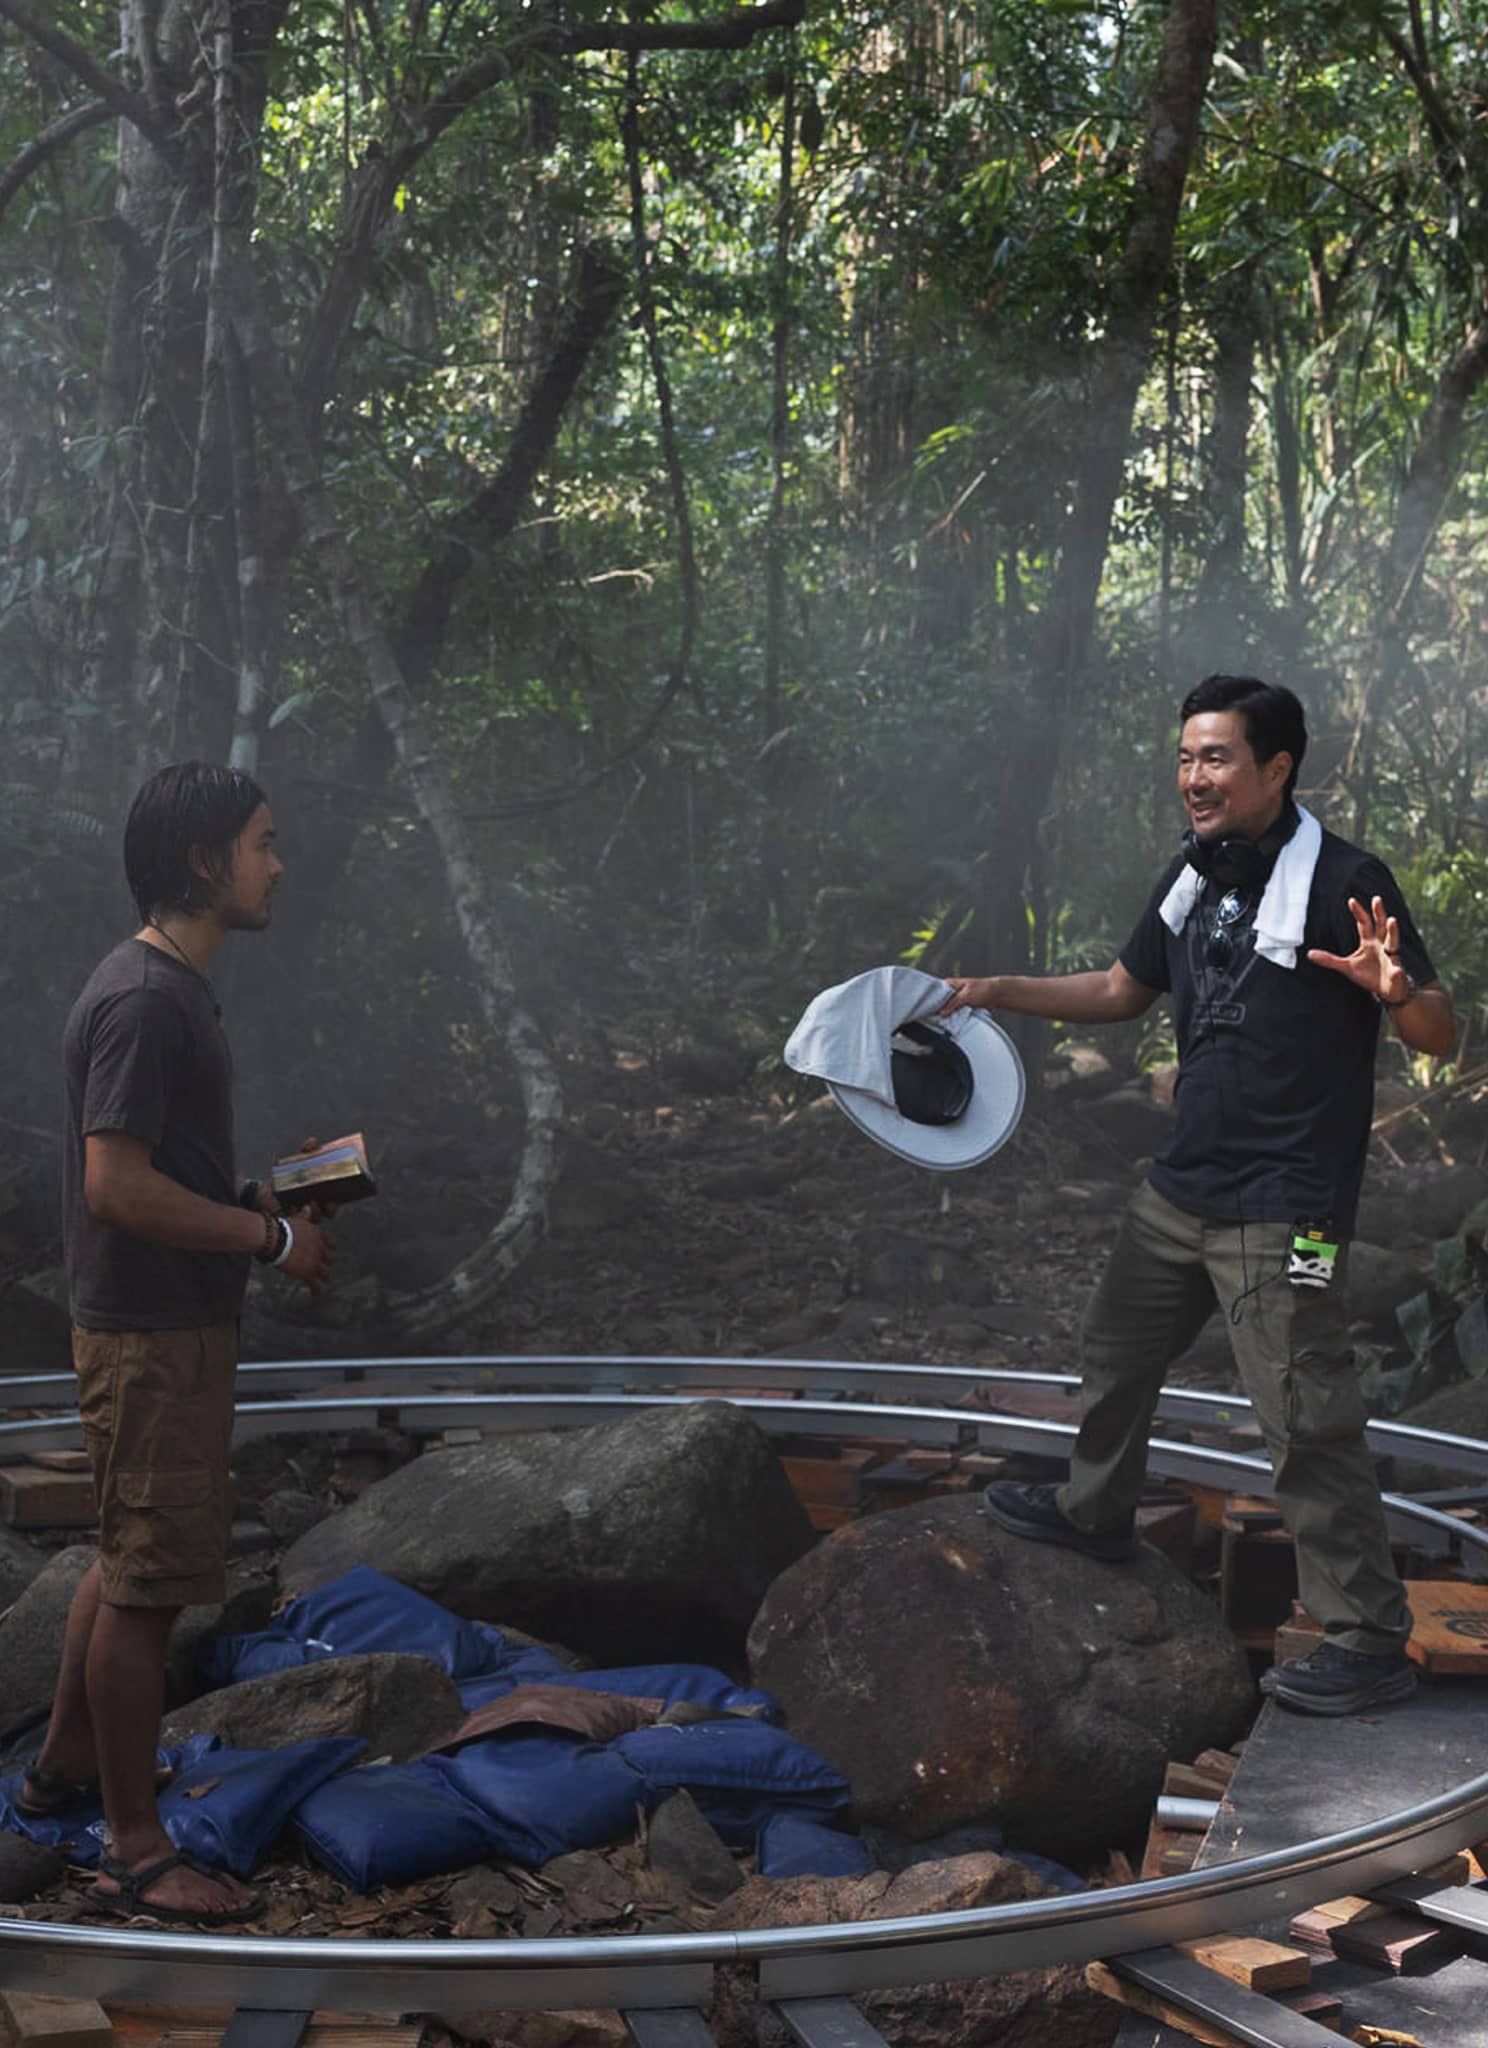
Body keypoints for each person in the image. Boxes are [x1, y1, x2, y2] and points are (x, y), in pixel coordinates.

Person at [941, 675, 1454, 1716]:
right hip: (1184, 1185)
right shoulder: (1195, 874)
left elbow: (1441, 1033)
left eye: (1215, 757)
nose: (1193, 777)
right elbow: (1121, 991)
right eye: (1185, 756)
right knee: (1115, 1347)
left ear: (1277, 767)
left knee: (1304, 1412)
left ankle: (1366, 1638)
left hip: (1288, 1205)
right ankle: (1095, 1508)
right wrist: (992, 991)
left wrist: (1396, 991)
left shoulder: (1349, 879)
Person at [20, 763, 335, 1922]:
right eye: (261, 841)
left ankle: (61, 1772)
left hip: (159, 1320)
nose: (276, 861)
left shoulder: (164, 985)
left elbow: (160, 1169)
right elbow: (115, 1184)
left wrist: (270, 1192)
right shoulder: (148, 1000)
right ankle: (137, 1852)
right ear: (206, 861)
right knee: (148, 1585)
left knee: (122, 1554)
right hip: (154, 1333)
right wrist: (265, 1236)